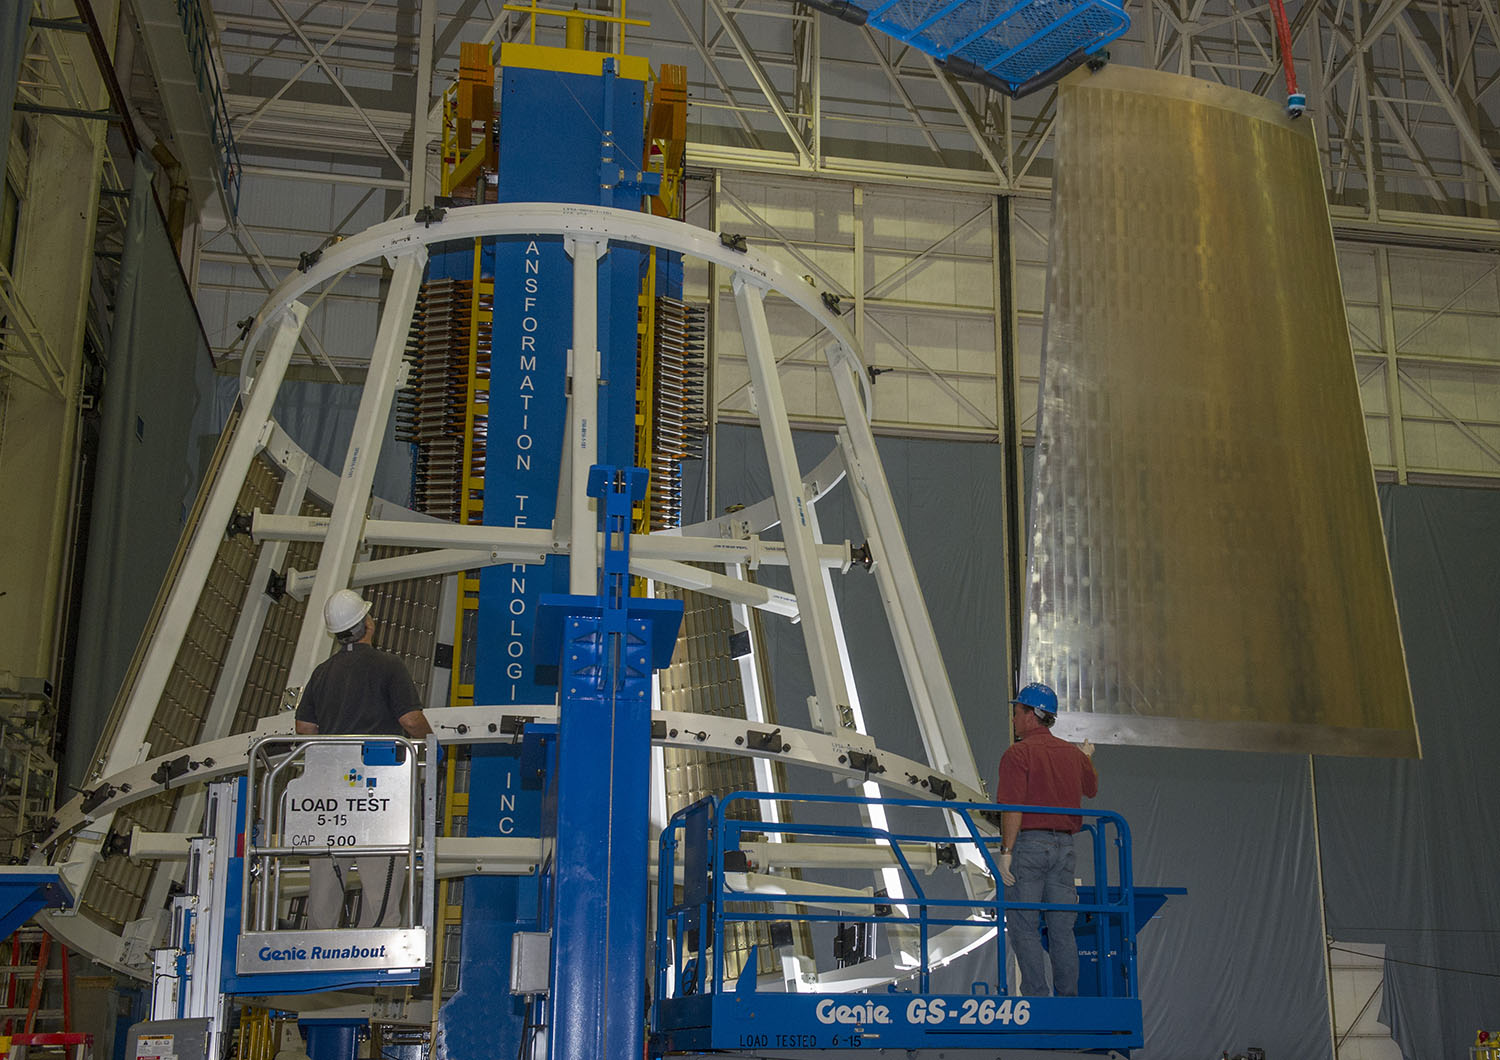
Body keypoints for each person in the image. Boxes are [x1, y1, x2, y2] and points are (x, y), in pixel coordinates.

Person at [295, 588, 432, 930]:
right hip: (377, 791)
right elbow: (410, 720)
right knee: (381, 878)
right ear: (367, 624)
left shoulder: (321, 673)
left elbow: (304, 728)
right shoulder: (388, 666)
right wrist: (431, 745)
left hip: (328, 790)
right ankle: (375, 944)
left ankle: (318, 945)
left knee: (326, 872)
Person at [995, 681, 1098, 997]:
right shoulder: (1071, 754)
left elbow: (1012, 808)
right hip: (1065, 848)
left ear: (1030, 716)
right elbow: (1091, 789)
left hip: (1029, 847)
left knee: (1024, 926)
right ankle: (1068, 1002)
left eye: (1016, 712)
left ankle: (1037, 999)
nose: (1013, 719)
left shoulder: (1018, 754)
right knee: (1062, 929)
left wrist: (1006, 851)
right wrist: (1085, 758)